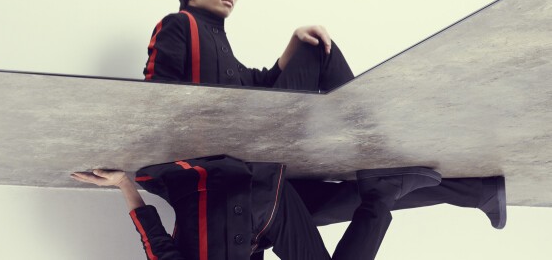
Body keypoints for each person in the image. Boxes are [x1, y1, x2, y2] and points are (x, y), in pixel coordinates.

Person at [71, 155, 506, 260]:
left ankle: (382, 192)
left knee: (366, 202)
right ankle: (479, 193)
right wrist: (125, 185)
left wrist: (124, 183)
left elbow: (158, 249)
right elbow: (158, 248)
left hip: (253, 204)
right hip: (235, 206)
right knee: (335, 206)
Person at [143, 0, 354, 92]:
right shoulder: (178, 24)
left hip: (250, 129)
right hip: (218, 138)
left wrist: (295, 40)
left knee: (317, 44)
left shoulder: (222, 49)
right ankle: (366, 131)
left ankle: (364, 134)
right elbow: (156, 95)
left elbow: (263, 84)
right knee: (319, 48)